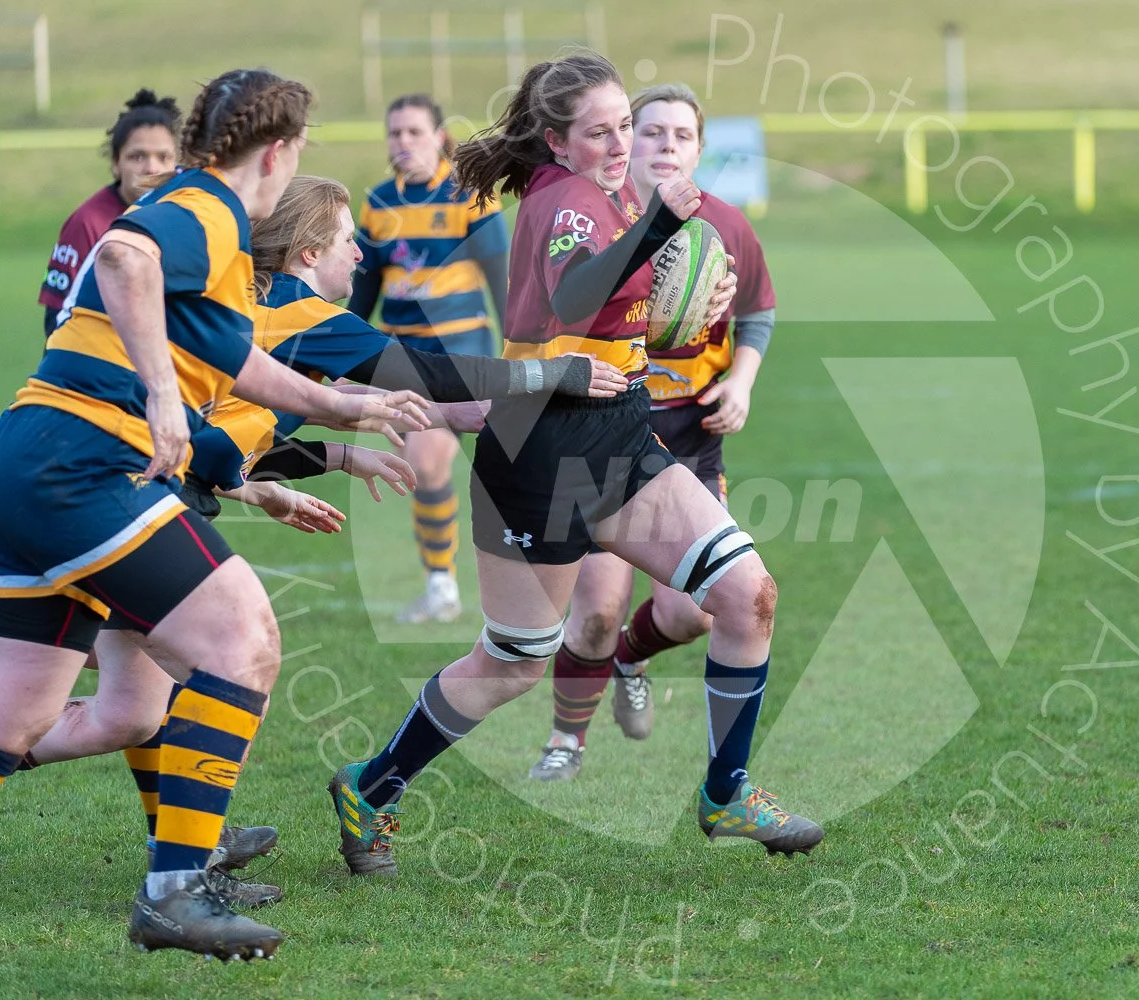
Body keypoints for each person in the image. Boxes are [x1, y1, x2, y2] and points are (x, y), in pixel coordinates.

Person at [0, 68, 430, 961]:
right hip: (53, 469)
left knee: (24, 712)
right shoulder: (207, 210)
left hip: (38, 466)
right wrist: (167, 400)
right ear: (279, 153)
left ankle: (184, 864)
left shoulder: (221, 256)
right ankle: (177, 883)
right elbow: (124, 264)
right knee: (237, 637)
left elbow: (239, 393)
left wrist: (327, 431)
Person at [326, 52, 823, 880]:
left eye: (627, 125)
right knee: (514, 662)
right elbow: (574, 299)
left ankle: (726, 790)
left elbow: (620, 312)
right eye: (601, 132)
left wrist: (684, 307)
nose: (622, 142)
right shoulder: (564, 203)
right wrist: (660, 228)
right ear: (556, 141)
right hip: (540, 451)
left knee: (745, 594)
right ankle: (372, 784)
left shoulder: (613, 194)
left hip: (622, 436)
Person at [530, 82, 777, 781]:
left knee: (695, 612)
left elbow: (758, 310)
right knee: (597, 613)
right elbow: (561, 314)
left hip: (691, 439)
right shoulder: (593, 222)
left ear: (699, 149)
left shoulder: (727, 225)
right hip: (610, 436)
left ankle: (632, 660)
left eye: (681, 135)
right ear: (626, 142)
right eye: (651, 132)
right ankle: (564, 744)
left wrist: (741, 380)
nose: (665, 145)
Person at [350, 94, 510, 625]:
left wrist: (518, 348)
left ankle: (535, 572)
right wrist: (340, 350)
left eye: (414, 132)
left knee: (507, 467)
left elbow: (500, 278)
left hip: (467, 352)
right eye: (394, 133)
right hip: (407, 356)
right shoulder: (376, 202)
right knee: (427, 464)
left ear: (439, 137)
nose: (403, 143)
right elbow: (364, 289)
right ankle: (441, 585)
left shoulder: (470, 193)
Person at [38, 89, 181, 336]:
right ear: (116, 163)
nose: (151, 168)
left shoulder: (186, 217)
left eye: (163, 157)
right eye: (137, 157)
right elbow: (56, 320)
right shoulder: (88, 222)